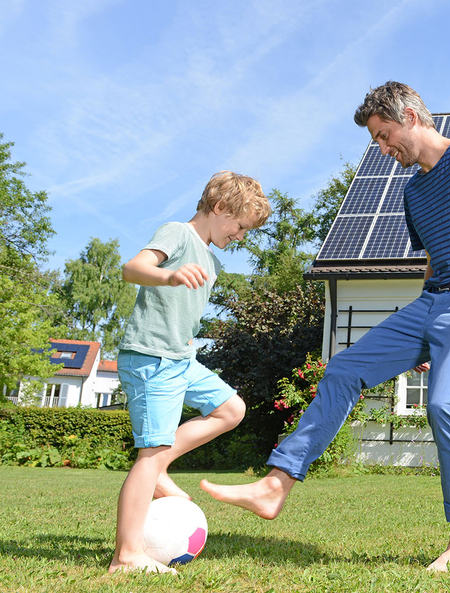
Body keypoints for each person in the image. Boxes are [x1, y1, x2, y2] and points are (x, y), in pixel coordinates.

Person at [200, 81, 450, 571]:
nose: (382, 148)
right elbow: (432, 259)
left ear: (409, 115)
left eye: (384, 135)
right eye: (376, 141)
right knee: (343, 369)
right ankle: (276, 485)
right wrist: (421, 332)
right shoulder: (413, 190)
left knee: (446, 406)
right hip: (432, 302)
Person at [108, 171, 272, 574]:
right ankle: (126, 555)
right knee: (150, 454)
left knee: (231, 409)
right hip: (150, 357)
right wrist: (168, 274)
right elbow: (133, 268)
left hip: (180, 360)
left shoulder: (210, 259)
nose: (240, 235)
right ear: (219, 208)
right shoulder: (178, 234)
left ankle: (160, 466)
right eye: (239, 226)